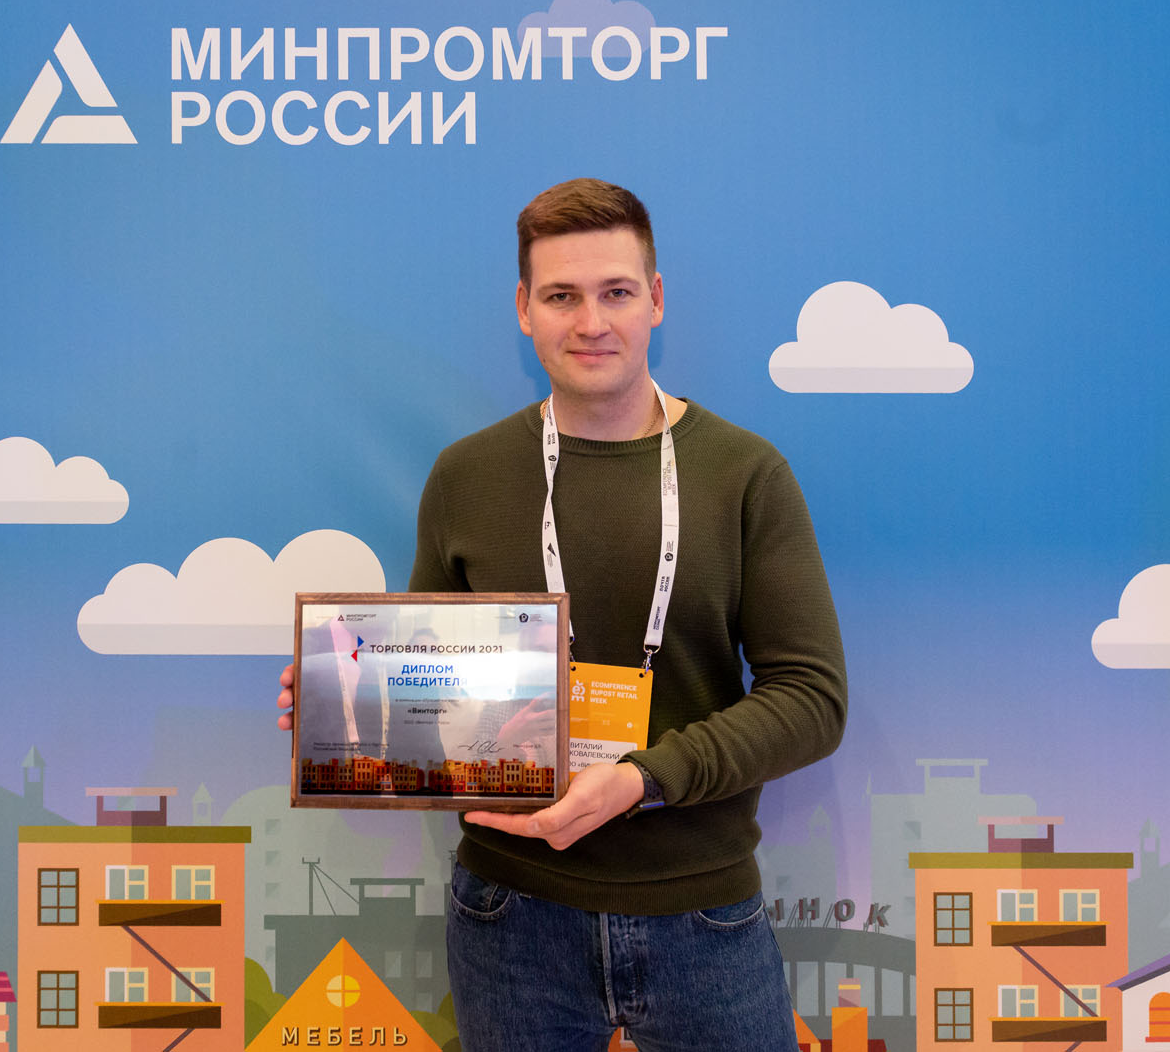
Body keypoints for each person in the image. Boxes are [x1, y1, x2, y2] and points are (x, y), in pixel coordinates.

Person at [278, 178, 847, 1051]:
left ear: (656, 299)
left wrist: (643, 778)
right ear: (523, 308)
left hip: (703, 914)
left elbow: (811, 698)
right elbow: (435, 684)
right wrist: (347, 703)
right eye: (561, 296)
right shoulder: (466, 476)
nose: (591, 322)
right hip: (511, 917)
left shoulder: (745, 475)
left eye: (616, 292)